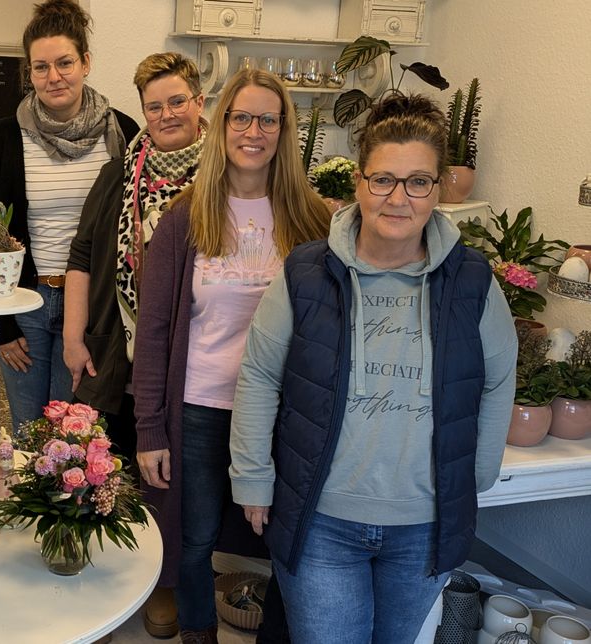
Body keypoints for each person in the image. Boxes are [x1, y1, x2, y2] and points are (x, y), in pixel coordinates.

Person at [229, 93, 518, 644]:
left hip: (425, 527)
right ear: (359, 182)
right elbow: (260, 375)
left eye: (418, 182)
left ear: (438, 190)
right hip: (320, 522)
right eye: (383, 179)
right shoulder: (306, 274)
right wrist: (252, 479)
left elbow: (499, 377)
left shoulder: (473, 281)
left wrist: (476, 473)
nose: (398, 198)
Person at [133, 69, 331, 644]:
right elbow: (153, 329)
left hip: (280, 415)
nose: (253, 130)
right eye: (241, 117)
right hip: (198, 406)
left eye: (267, 119)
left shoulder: (313, 220)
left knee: (286, 537)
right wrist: (150, 427)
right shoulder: (186, 216)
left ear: (283, 130)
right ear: (221, 127)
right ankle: (200, 632)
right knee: (194, 539)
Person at [63, 51, 206, 639]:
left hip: (191, 351)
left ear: (199, 102)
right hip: (117, 342)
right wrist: (73, 336)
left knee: (173, 474)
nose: (167, 113)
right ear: (142, 110)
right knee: (112, 461)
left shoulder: (225, 175)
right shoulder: (121, 171)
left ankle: (163, 582)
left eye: (178, 101)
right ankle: (114, 573)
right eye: (154, 105)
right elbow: (80, 253)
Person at [0, 0, 139, 433]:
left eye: (64, 63)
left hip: (93, 306)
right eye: (40, 67)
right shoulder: (5, 137)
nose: (53, 76)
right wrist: (0, 325)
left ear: (86, 62)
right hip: (25, 302)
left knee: (72, 429)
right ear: (29, 72)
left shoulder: (123, 133)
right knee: (27, 428)